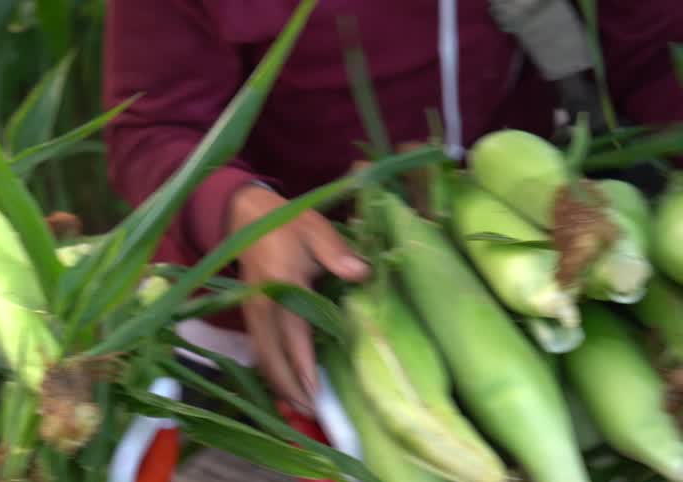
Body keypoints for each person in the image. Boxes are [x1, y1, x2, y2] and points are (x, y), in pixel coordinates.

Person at [102, 0, 683, 416]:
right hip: (275, 312)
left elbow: (658, 60)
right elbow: (153, 131)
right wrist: (236, 211)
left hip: (523, 283)